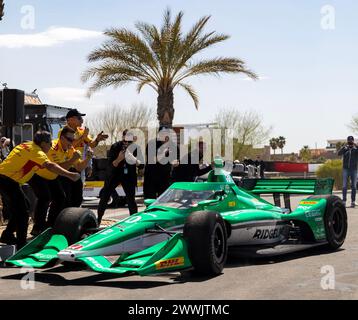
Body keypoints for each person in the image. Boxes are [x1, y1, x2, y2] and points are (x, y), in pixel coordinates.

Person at [0, 131, 80, 248]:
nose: (51, 146)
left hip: (7, 179)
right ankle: (21, 245)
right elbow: (50, 166)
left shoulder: (26, 145)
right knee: (23, 213)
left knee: (23, 206)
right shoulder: (37, 151)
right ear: (43, 143)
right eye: (49, 143)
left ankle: (7, 234)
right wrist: (70, 175)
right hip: (7, 180)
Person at [28, 127, 82, 236]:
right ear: (62, 138)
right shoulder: (51, 147)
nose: (72, 143)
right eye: (69, 140)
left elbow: (79, 167)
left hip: (51, 175)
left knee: (60, 197)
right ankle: (37, 228)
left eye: (73, 140)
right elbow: (55, 167)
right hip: (38, 174)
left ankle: (51, 225)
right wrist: (71, 162)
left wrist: (88, 159)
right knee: (45, 197)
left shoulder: (70, 148)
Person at [59, 109, 108, 206]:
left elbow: (91, 145)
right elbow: (70, 145)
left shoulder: (82, 131)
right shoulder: (63, 131)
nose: (82, 121)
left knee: (78, 192)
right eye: (79, 118)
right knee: (67, 192)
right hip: (67, 166)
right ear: (71, 119)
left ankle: (76, 212)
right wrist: (83, 136)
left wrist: (97, 139)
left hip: (79, 166)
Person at [97, 130, 143, 224]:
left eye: (130, 142)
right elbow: (109, 167)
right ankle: (98, 219)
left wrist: (134, 159)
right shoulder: (115, 147)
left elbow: (142, 166)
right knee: (105, 196)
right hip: (115, 175)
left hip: (128, 175)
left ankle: (134, 222)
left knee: (131, 200)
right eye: (125, 141)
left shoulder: (136, 148)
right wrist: (119, 159)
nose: (127, 143)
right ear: (122, 138)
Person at [143, 127, 178, 199]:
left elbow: (176, 159)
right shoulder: (151, 144)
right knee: (150, 202)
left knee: (164, 203)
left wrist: (176, 162)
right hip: (151, 178)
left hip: (165, 178)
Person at [338, 136, 358, 207]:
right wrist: (344, 147)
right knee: (344, 186)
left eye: (351, 141)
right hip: (345, 169)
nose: (350, 142)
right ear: (347, 141)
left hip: (354, 170)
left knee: (354, 186)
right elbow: (338, 153)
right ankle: (344, 201)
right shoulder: (345, 149)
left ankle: (353, 201)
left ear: (353, 141)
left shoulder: (356, 150)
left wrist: (356, 145)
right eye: (349, 141)